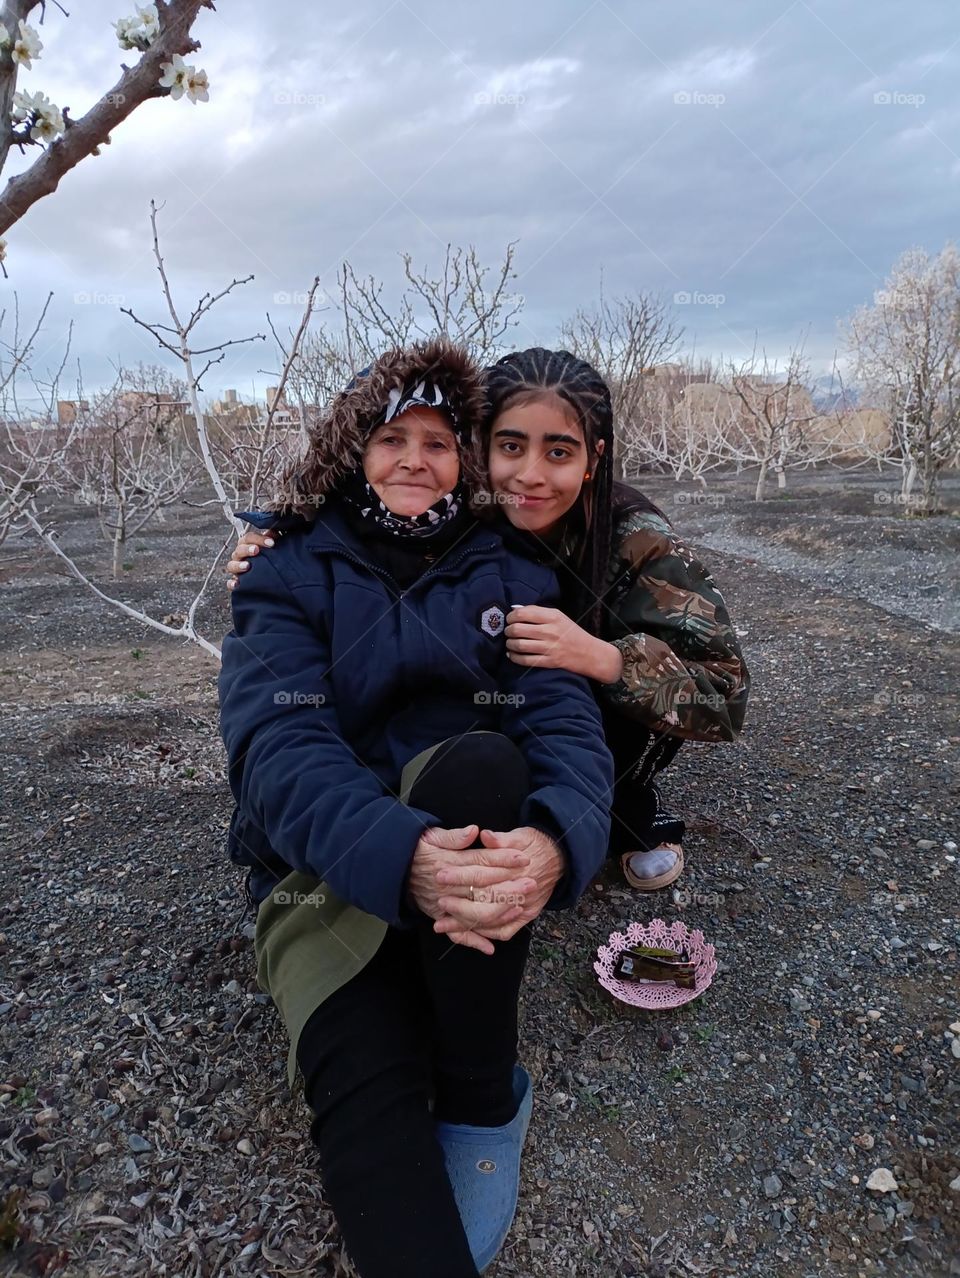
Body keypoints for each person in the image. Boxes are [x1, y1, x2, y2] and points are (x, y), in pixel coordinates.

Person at [218, 337, 613, 1278]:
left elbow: (563, 721)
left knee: (482, 764)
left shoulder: (509, 569)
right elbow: (278, 747)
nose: (413, 459)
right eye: (391, 437)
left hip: (472, 843)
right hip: (324, 873)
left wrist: (558, 844)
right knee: (366, 1100)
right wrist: (405, 859)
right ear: (352, 448)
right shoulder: (285, 571)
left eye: (439, 441)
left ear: (461, 462)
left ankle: (480, 1095)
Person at [229, 346, 749, 893]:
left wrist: (605, 658)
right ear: (477, 443)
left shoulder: (636, 539)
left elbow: (725, 693)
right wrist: (276, 539)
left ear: (592, 458)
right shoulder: (457, 509)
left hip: (591, 703)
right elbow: (374, 462)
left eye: (559, 453)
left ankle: (623, 797)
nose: (529, 476)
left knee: (566, 701)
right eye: (510, 445)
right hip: (496, 712)